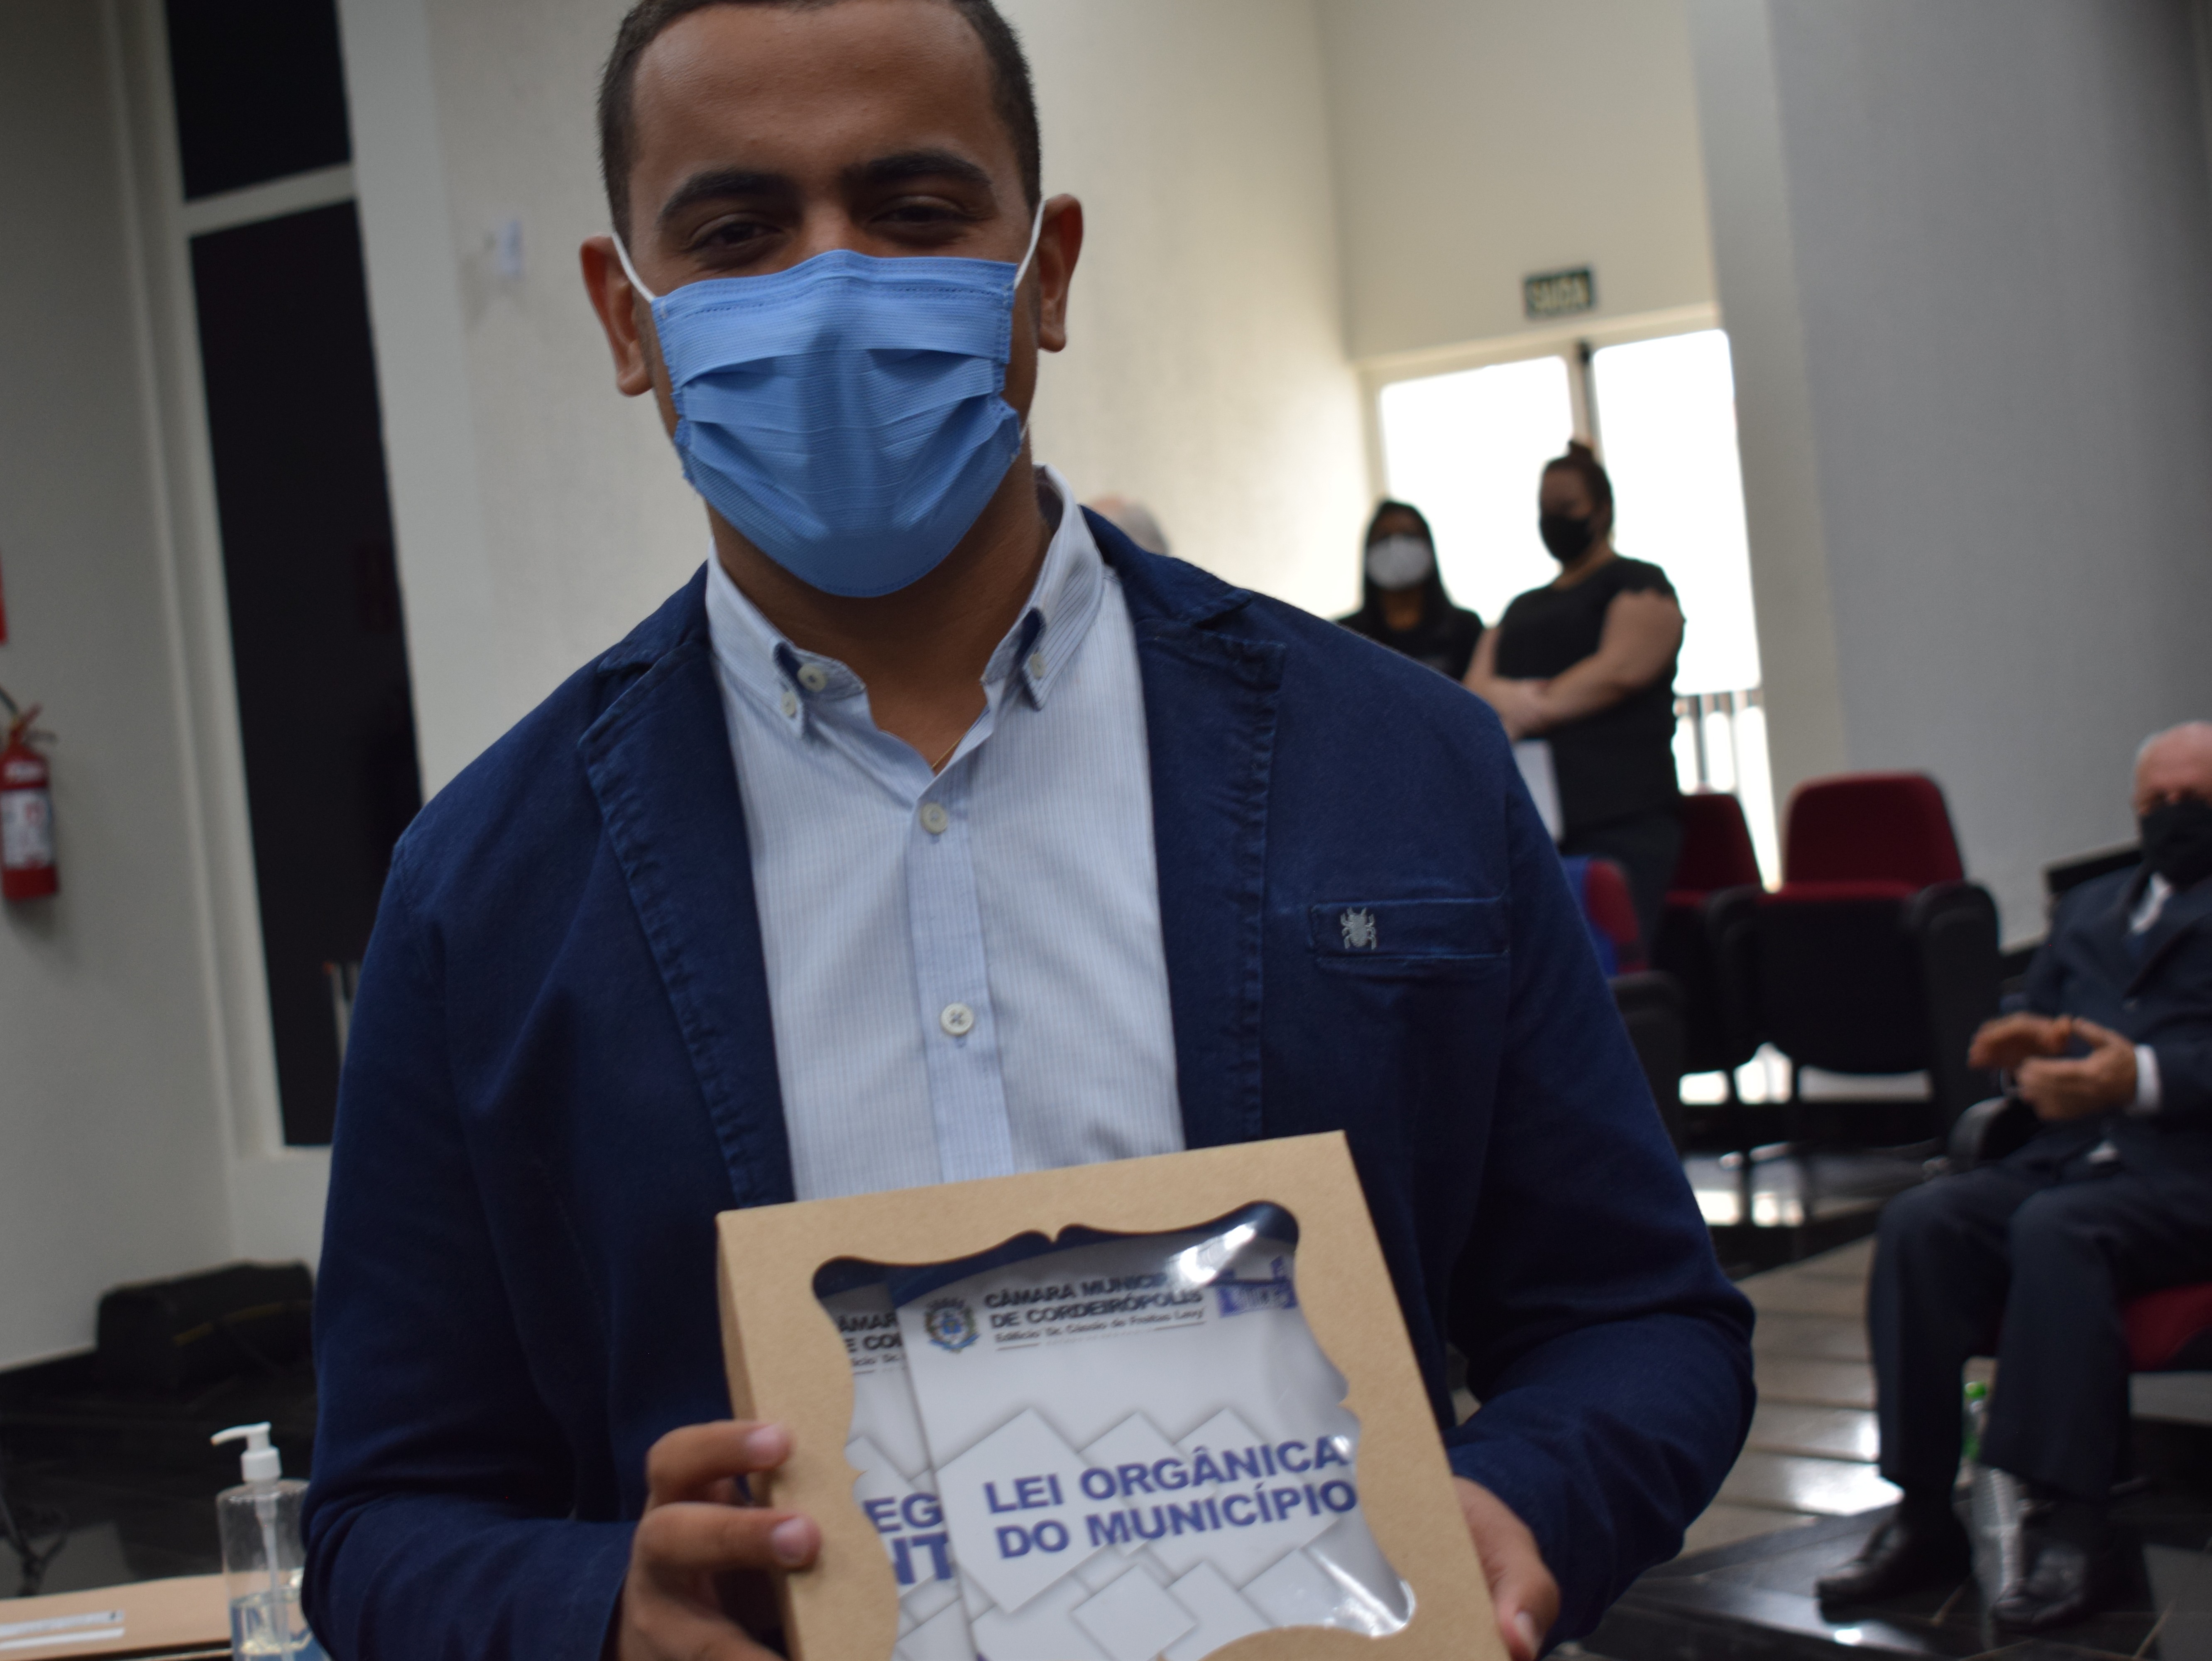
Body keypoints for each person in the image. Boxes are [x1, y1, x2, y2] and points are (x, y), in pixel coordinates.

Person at [301, 5, 1753, 1659]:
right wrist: (604, 1617)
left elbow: (1640, 1318)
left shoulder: (1399, 761)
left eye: (914, 212)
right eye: (739, 232)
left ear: (1045, 273)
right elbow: (383, 1518)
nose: (832, 287)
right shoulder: (484, 891)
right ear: (627, 318)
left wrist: (1523, 1501)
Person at [1818, 723, 2212, 1630]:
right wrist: (2027, 1051)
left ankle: (2076, 1525)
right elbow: (2042, 1022)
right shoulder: (2091, 907)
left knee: (2058, 1228)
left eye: (2194, 800)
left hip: (2190, 1173)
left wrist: (2141, 1078)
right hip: (2073, 1156)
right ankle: (1922, 1509)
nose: (2173, 816)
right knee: (1922, 1221)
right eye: (2157, 802)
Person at [1466, 443, 1684, 945]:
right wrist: (1514, 703)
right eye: (1546, 510)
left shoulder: (1639, 582)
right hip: (1538, 824)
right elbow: (1476, 687)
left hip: (1621, 819)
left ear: (1602, 511)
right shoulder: (1522, 606)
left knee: (1608, 958)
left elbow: (1620, 670)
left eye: (1567, 508)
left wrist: (1527, 707)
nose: (1554, 521)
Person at [1338, 498, 1483, 679]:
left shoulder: (1465, 627)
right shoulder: (1344, 634)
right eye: (1384, 537)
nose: (1396, 546)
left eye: (1409, 536)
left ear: (1428, 547)